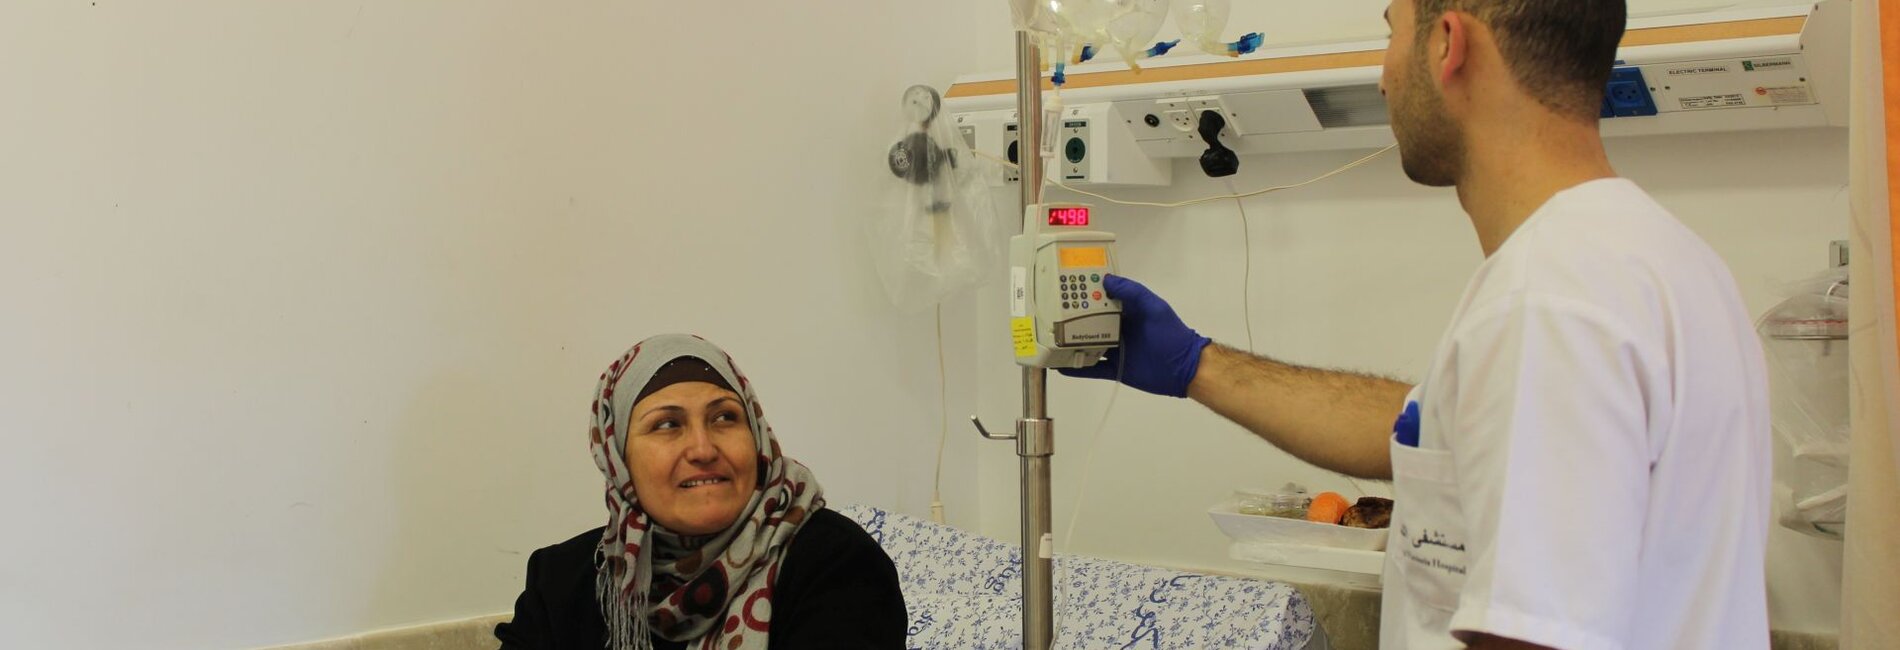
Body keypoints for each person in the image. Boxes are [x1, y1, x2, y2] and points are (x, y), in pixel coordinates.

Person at [1063, 1, 1771, 648]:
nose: (1381, 80)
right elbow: (1433, 430)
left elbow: (1537, 638)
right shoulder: (1655, 257)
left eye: (1390, 33)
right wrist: (1199, 365)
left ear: (1447, 44)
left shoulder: (1551, 302)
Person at [496, 334, 908, 650]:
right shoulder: (565, 581)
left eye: (725, 417)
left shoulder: (834, 563)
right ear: (619, 460)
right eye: (667, 424)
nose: (703, 449)